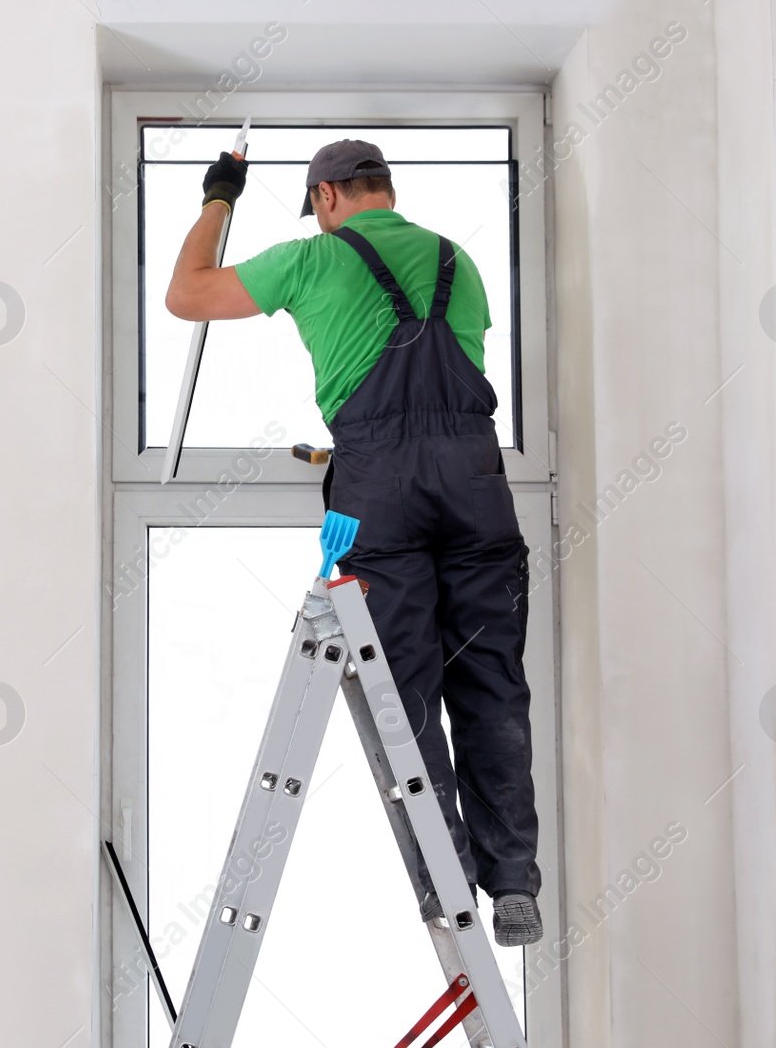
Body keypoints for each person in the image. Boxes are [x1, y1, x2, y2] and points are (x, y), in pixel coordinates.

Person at [164, 139, 542, 946]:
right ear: (386, 191)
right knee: (492, 686)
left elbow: (186, 296)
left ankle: (447, 886)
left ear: (328, 197)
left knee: (403, 696)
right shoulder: (458, 262)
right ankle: (513, 883)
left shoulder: (313, 259)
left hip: (384, 491)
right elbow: (435, 386)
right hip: (478, 484)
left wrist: (219, 197)